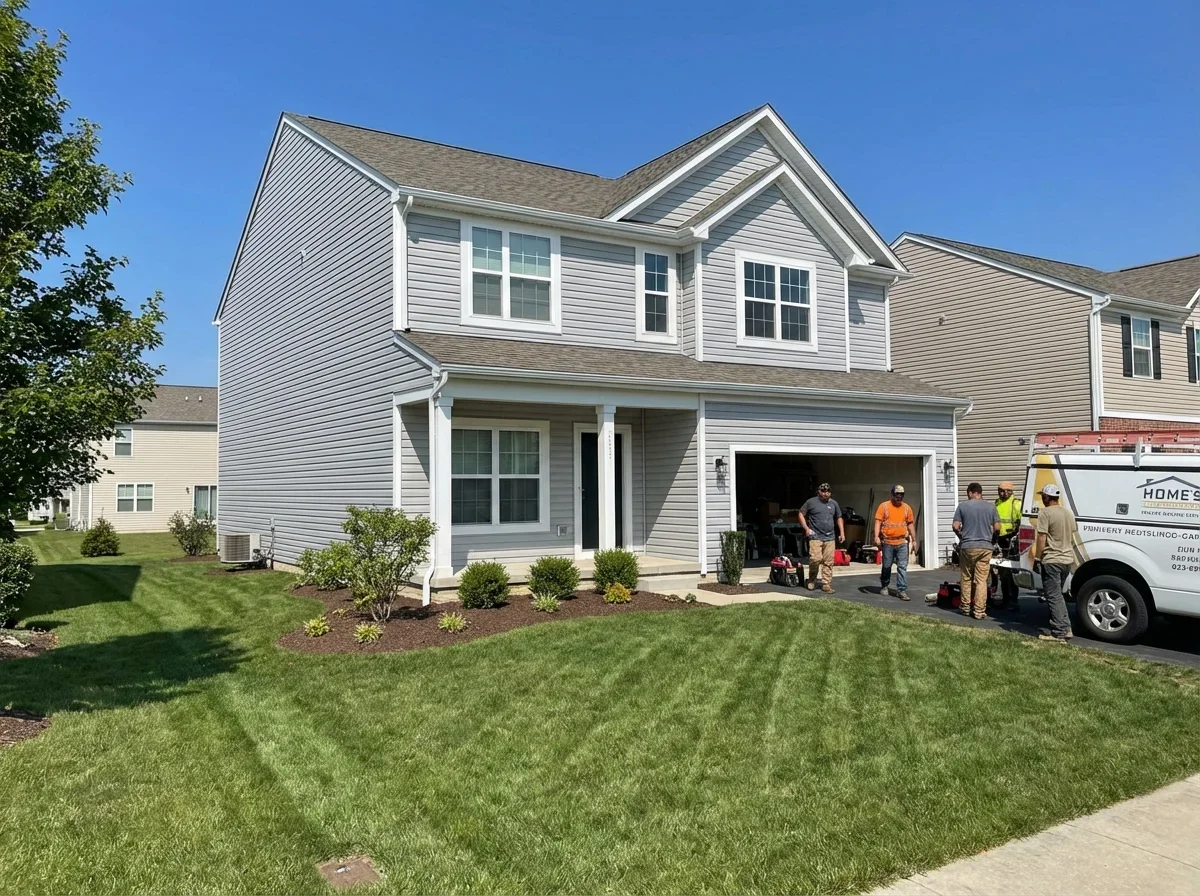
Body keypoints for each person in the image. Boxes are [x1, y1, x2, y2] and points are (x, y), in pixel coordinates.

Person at [1034, 484, 1077, 642]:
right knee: (1058, 595)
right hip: (1067, 559)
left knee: (1053, 595)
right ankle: (1065, 628)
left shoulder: (1045, 513)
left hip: (1052, 559)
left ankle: (1059, 632)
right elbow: (1072, 534)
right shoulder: (1068, 512)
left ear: (1046, 497)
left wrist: (1038, 558)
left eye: (1042, 496)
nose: (1042, 499)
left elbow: (1042, 537)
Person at [952, 482, 1000, 619]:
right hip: (985, 547)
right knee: (981, 580)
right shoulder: (991, 507)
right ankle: (979, 611)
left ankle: (965, 607)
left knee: (966, 577)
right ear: (980, 492)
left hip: (968, 546)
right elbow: (997, 527)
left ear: (970, 492)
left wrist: (961, 536)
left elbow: (955, 526)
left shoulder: (963, 506)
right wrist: (993, 539)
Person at [798, 483, 844, 593]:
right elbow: (801, 514)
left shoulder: (834, 504)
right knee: (815, 559)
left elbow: (839, 517)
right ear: (818, 491)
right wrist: (806, 528)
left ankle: (826, 584)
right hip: (815, 536)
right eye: (823, 491)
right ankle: (812, 579)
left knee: (829, 561)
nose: (826, 493)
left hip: (830, 537)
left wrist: (842, 532)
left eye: (828, 491)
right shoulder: (811, 502)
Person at [873, 485, 917, 600]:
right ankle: (884, 585)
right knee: (887, 565)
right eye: (897, 494)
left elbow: (910, 524)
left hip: (902, 542)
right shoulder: (884, 506)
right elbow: (878, 522)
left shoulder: (907, 508)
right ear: (892, 494)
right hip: (888, 542)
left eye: (901, 495)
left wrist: (914, 539)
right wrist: (876, 536)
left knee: (902, 567)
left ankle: (901, 590)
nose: (899, 497)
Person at [994, 481, 1023, 611]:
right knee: (1002, 572)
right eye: (1002, 490)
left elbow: (1021, 523)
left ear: (1012, 492)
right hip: (999, 540)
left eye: (1008, 491)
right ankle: (1006, 599)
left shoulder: (1016, 503)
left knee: (1011, 572)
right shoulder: (997, 503)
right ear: (998, 491)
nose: (1005, 493)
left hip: (1012, 541)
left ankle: (1013, 601)